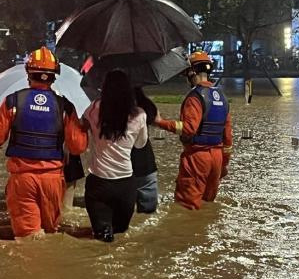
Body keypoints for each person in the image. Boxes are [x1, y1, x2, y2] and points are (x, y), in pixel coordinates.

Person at [0, 47, 88, 240]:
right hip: (53, 181)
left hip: (23, 181)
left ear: (29, 73)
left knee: (28, 238)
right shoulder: (65, 107)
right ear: (54, 77)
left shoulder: (12, 102)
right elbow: (77, 147)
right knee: (50, 234)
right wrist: (83, 127)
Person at [155, 51, 233, 210]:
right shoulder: (222, 96)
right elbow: (228, 137)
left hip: (197, 158)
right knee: (207, 205)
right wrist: (224, 165)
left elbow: (189, 129)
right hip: (217, 160)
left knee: (186, 208)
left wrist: (160, 122)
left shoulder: (194, 97)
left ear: (192, 72)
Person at [83, 70, 148, 242]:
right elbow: (140, 144)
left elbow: (82, 126)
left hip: (99, 184)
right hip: (125, 186)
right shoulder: (140, 115)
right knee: (120, 237)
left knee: (102, 239)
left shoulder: (95, 108)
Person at [131, 88, 159, 213]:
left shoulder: (107, 108)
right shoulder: (146, 106)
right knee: (148, 215)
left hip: (118, 168)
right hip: (145, 163)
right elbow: (157, 120)